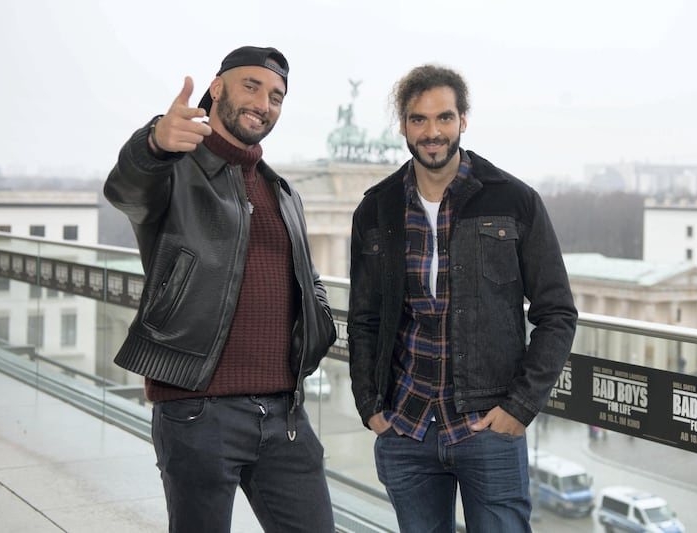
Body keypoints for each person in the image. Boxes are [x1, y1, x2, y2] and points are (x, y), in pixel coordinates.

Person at [104, 46, 337, 533]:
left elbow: (307, 275)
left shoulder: (281, 190)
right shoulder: (177, 169)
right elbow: (125, 189)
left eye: (276, 95)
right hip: (197, 410)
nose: (263, 102)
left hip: (284, 413)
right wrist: (154, 142)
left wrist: (319, 330)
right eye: (251, 86)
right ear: (217, 89)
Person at [347, 64, 578, 532]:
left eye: (444, 118)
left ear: (463, 121)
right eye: (419, 120)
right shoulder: (377, 208)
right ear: (404, 126)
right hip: (405, 425)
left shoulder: (513, 200)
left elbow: (557, 313)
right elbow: (364, 319)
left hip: (487, 427)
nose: (432, 132)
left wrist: (520, 407)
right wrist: (370, 404)